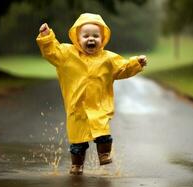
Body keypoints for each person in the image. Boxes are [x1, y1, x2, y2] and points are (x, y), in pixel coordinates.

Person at [36, 13, 147, 175]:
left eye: (96, 36)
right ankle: (77, 165)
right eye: (86, 35)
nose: (91, 39)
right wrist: (46, 37)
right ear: (77, 38)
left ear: (103, 39)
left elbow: (123, 68)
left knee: (103, 135)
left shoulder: (108, 59)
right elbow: (52, 51)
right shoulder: (67, 55)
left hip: (99, 106)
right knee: (77, 142)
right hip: (76, 107)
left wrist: (137, 62)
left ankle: (104, 154)